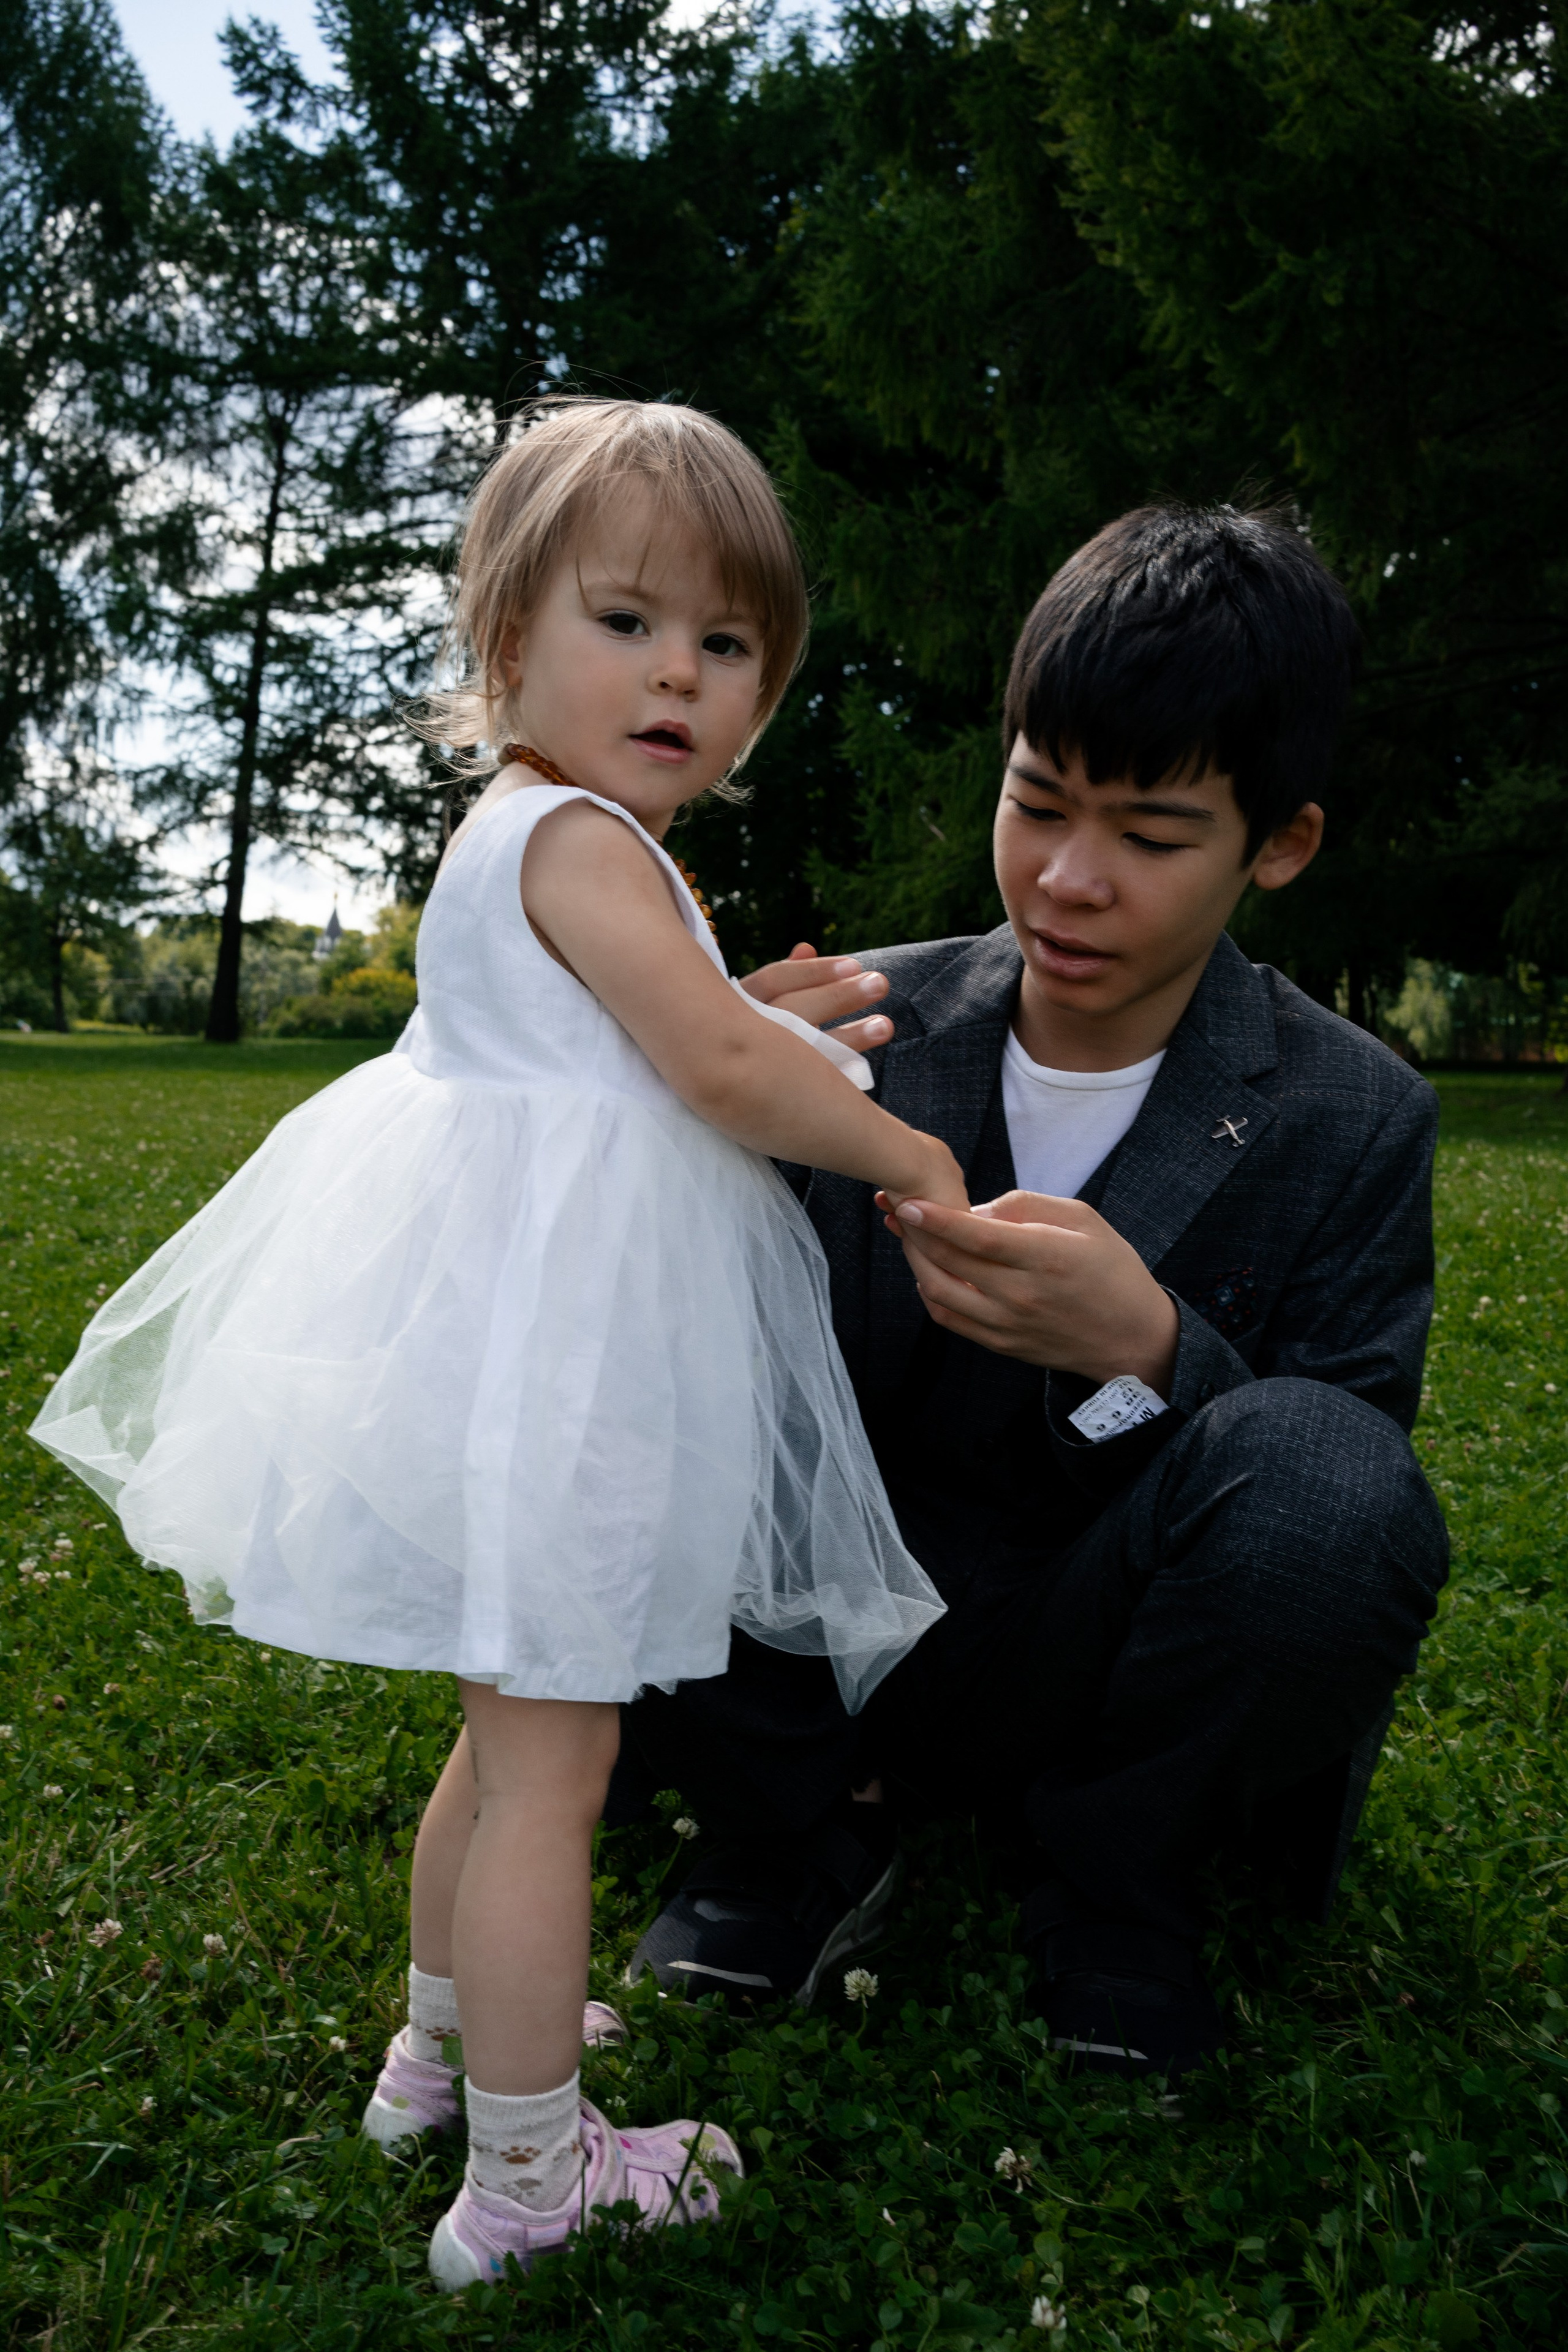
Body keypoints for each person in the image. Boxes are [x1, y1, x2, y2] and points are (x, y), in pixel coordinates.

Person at [30, 398, 955, 2282]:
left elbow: (652, 1034)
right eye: (629, 623)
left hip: (519, 1372)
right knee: (559, 1769)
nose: (680, 674)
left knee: (503, 1727)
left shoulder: (536, 834)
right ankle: (531, 2181)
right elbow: (700, 1065)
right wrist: (900, 1142)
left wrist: (735, 1008)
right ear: (507, 635)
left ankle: (438, 2058)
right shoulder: (591, 840)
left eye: (727, 645)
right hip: (571, 1383)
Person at [619, 501, 1450, 2078]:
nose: (1067, 880)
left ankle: (1113, 1882)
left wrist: (1145, 1350)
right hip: (799, 1634)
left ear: (1277, 843)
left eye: (1148, 837)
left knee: (1321, 1478)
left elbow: (1347, 1490)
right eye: (1035, 804)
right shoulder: (840, 1024)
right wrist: (675, 1096)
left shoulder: (1352, 1110)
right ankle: (786, 1834)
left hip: (1091, 1649)